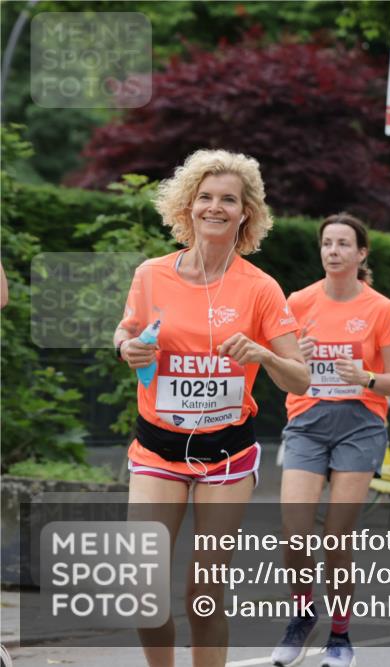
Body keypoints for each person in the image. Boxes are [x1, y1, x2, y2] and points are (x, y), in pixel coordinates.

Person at [115, 149, 310, 667]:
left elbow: (301, 375)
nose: (215, 207)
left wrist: (263, 353)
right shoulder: (152, 274)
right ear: (188, 206)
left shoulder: (261, 287)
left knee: (203, 596)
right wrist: (126, 347)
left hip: (225, 456)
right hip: (158, 448)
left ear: (246, 212)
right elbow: (128, 332)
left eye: (229, 199)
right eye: (205, 197)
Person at [271, 213, 390, 667]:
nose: (333, 251)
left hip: (359, 424)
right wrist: (296, 359)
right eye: (327, 243)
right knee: (293, 531)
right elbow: (283, 376)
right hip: (307, 421)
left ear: (361, 253)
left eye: (343, 244)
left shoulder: (379, 307)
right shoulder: (299, 301)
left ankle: (341, 635)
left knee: (337, 537)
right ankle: (302, 615)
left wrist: (366, 376)